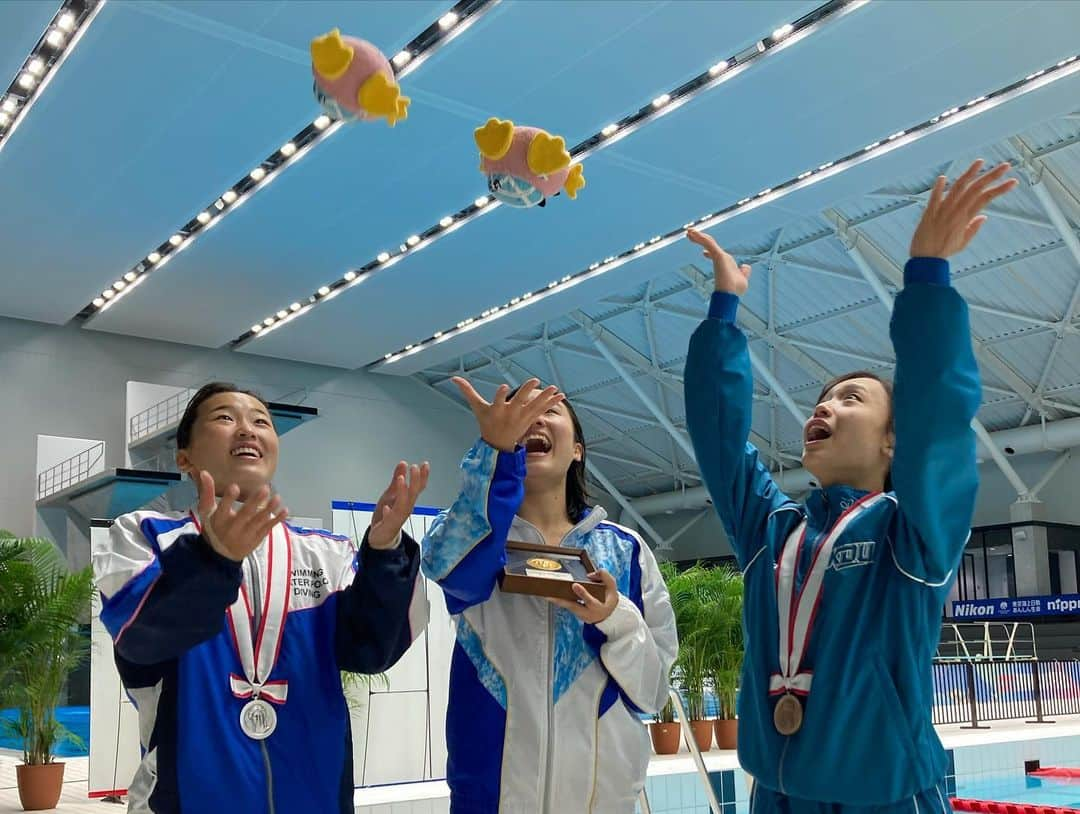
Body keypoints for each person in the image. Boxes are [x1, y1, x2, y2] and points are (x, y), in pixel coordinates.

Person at [684, 159, 1017, 813]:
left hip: (883, 794)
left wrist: (926, 277)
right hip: (776, 793)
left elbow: (940, 420)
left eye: (851, 398)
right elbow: (718, 441)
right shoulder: (770, 533)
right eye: (822, 398)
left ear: (894, 440)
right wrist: (723, 315)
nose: (825, 406)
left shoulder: (911, 534)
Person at [91, 382, 430, 813]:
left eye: (261, 421)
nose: (247, 430)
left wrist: (384, 551)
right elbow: (143, 639)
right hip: (189, 797)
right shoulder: (146, 536)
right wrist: (213, 560)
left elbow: (370, 652)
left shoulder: (327, 553)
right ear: (185, 458)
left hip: (315, 795)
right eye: (225, 418)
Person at [421, 378, 677, 813]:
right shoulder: (470, 536)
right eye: (523, 412)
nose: (536, 417)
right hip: (493, 801)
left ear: (578, 448)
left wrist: (615, 617)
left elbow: (651, 693)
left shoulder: (626, 551)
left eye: (552, 410)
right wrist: (494, 455)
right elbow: (452, 571)